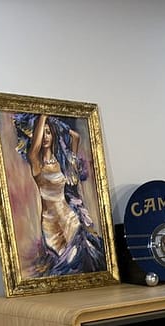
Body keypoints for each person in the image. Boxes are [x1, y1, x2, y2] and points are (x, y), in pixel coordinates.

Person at [13, 113, 106, 276]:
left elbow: (76, 137)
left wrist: (59, 126)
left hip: (70, 219)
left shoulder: (63, 162)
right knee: (62, 266)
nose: (45, 137)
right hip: (50, 223)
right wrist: (43, 116)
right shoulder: (37, 163)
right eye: (42, 133)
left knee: (78, 262)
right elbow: (34, 149)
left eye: (49, 133)